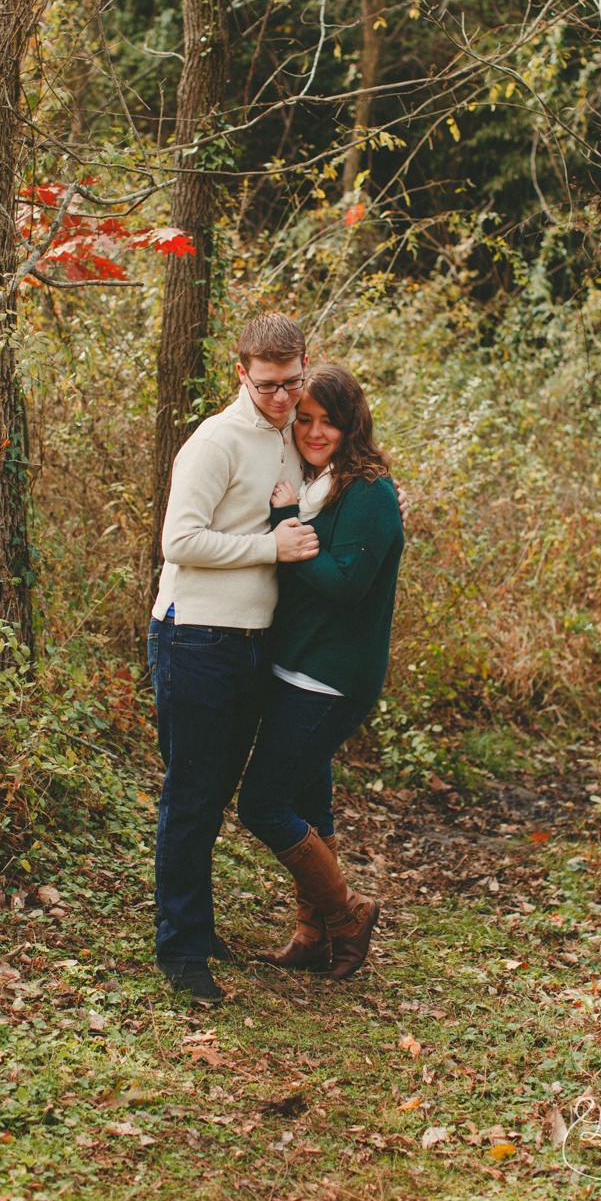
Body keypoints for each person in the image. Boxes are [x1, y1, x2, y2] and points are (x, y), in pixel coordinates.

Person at [148, 313, 320, 1006]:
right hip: (194, 639)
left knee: (215, 796)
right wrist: (264, 548)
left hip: (252, 644)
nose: (283, 399)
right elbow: (179, 541)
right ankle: (182, 953)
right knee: (192, 797)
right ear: (240, 372)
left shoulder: (292, 436)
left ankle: (196, 926)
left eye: (293, 383)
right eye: (270, 385)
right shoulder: (214, 442)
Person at [237, 364, 405, 981]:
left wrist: (287, 526)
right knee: (310, 802)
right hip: (294, 667)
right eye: (303, 419)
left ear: (350, 422)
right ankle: (312, 933)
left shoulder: (370, 491)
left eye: (326, 421)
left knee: (261, 803)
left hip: (332, 678)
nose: (312, 430)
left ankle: (347, 912)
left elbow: (342, 585)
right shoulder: (313, 482)